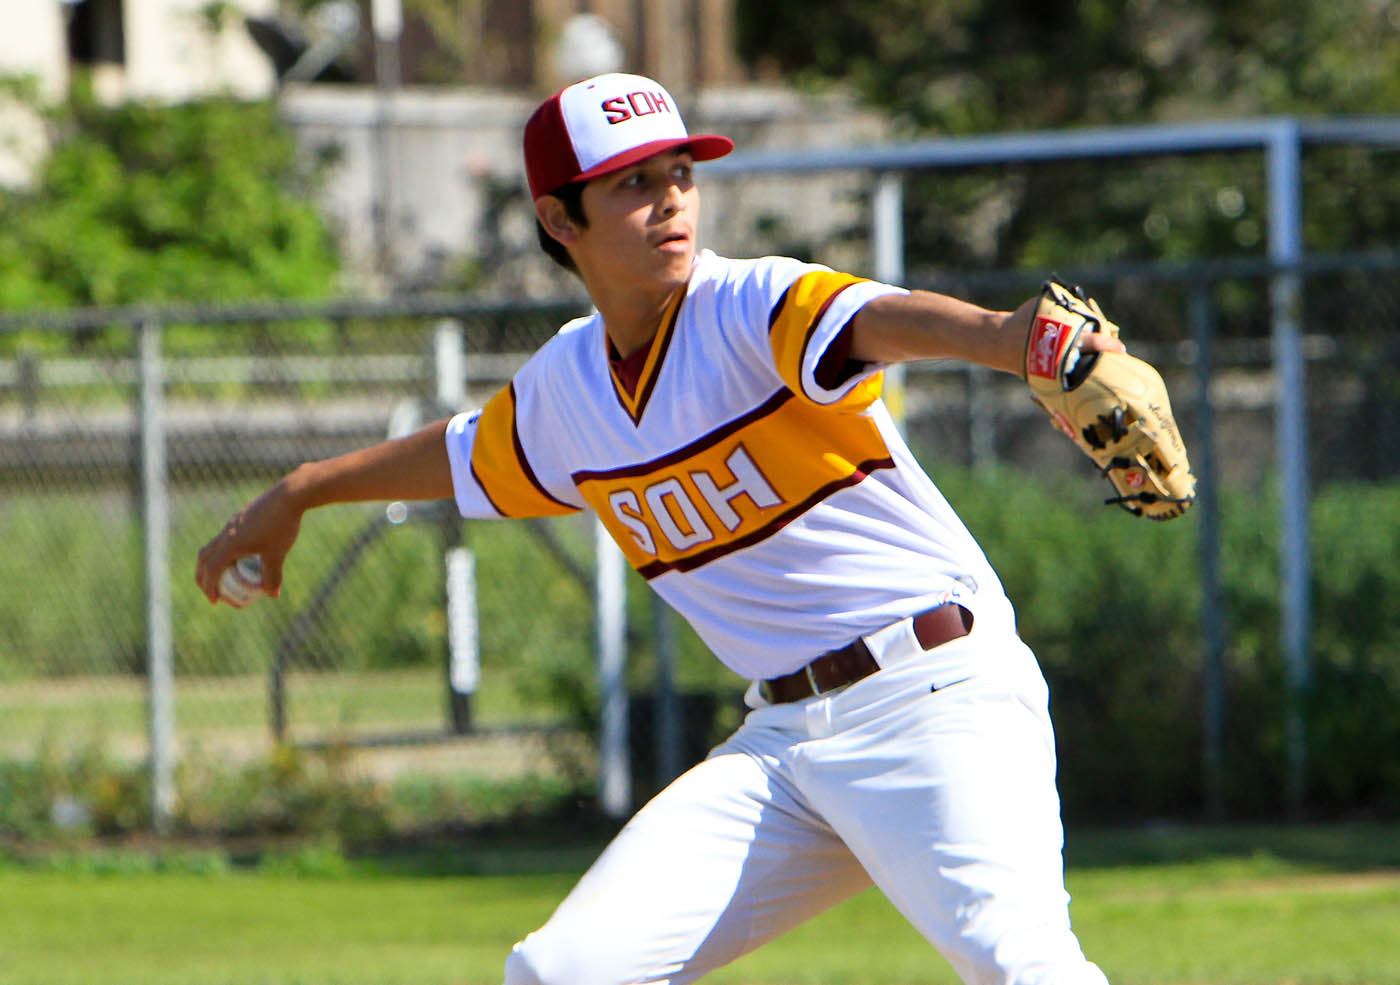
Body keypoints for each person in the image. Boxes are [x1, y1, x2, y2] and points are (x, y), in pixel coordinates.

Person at [196, 72, 1123, 985]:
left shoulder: (744, 303)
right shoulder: (568, 388)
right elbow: (459, 454)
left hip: (934, 695)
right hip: (787, 746)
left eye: (681, 172)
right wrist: (301, 492)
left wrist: (1007, 337)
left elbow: (872, 321)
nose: (671, 200)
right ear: (562, 221)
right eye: (633, 183)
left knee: (1020, 966)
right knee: (563, 971)